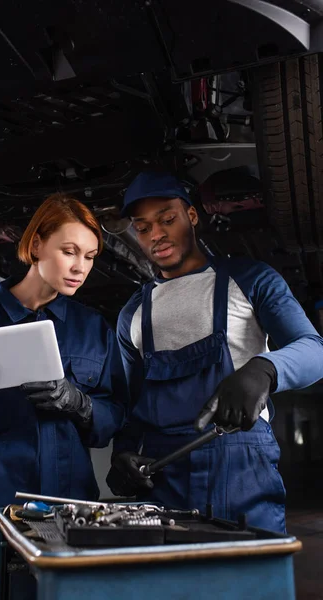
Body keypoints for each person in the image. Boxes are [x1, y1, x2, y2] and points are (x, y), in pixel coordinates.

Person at [0, 193, 127, 600]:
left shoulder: (93, 329)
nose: (79, 267)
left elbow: (113, 415)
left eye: (89, 256)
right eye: (68, 251)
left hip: (68, 522)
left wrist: (79, 403)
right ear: (35, 245)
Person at [106, 171, 323, 533]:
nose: (156, 234)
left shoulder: (252, 278)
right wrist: (121, 454)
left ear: (191, 216)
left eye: (167, 219)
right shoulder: (133, 313)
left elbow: (314, 350)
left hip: (241, 466)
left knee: (251, 581)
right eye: (143, 228)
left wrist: (264, 370)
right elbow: (130, 403)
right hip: (164, 475)